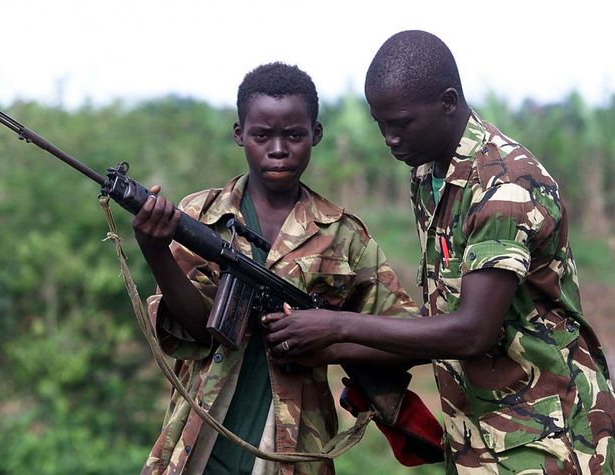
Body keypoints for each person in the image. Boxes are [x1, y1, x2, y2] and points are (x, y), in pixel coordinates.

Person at [263, 31, 615, 474]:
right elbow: (439, 322)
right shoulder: (430, 172)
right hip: (476, 435)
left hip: (545, 440)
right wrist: (331, 347)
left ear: (448, 102)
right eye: (381, 124)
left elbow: (471, 332)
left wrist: (334, 325)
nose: (390, 138)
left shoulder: (504, 186)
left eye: (402, 123)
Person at [132, 62, 417, 475]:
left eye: (294, 135)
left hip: (292, 450)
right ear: (239, 135)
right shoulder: (199, 216)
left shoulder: (342, 235)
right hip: (200, 442)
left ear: (315, 135)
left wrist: (328, 337)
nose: (278, 149)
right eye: (262, 135)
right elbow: (196, 330)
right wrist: (155, 251)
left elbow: (405, 333)